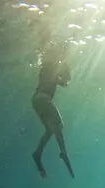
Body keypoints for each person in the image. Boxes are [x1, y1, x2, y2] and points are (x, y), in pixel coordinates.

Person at [31, 41, 74, 178]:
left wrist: (64, 74)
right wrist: (66, 72)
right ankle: (63, 152)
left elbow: (58, 81)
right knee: (59, 125)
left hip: (36, 99)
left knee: (50, 130)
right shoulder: (55, 65)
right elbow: (64, 83)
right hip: (44, 98)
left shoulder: (46, 67)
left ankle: (38, 153)